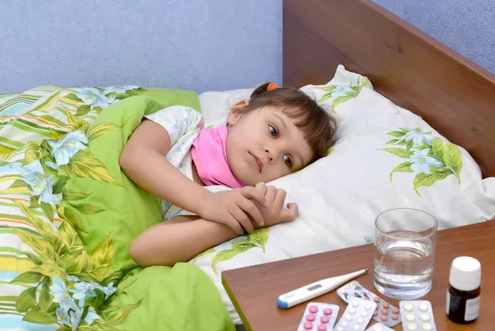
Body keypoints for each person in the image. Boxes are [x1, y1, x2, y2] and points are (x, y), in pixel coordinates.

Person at [119, 82, 337, 266]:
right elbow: (135, 155)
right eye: (273, 131)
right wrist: (207, 202)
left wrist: (244, 220)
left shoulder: (227, 199)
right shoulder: (185, 122)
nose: (274, 153)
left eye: (288, 160)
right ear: (238, 112)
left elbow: (143, 250)